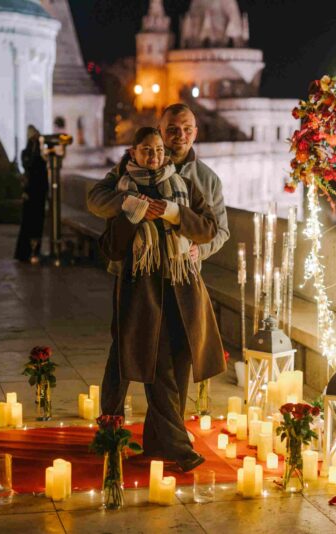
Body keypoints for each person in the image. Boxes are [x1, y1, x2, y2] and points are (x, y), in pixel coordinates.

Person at [87, 103, 229, 420]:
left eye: (187, 129)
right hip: (135, 274)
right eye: (173, 129)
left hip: (179, 277)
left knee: (177, 353)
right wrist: (131, 203)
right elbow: (96, 200)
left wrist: (199, 251)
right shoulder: (128, 169)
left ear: (196, 132)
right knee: (125, 345)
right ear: (160, 132)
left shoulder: (204, 179)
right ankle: (110, 420)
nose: (181, 135)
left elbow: (218, 230)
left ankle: (169, 425)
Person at [15, 125, 49, 262]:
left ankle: (33, 251)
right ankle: (27, 252)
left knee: (35, 224)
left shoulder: (37, 154)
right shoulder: (29, 154)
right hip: (32, 192)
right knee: (30, 223)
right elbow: (30, 167)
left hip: (36, 192)